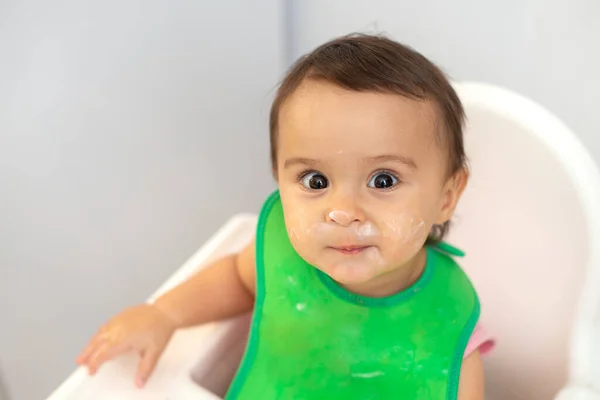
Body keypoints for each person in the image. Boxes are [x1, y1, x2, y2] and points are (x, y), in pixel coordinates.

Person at [77, 33, 494, 399]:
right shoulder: (283, 256)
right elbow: (237, 280)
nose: (342, 213)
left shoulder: (449, 328)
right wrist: (164, 314)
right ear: (279, 177)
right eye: (315, 180)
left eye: (383, 180)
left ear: (447, 195)